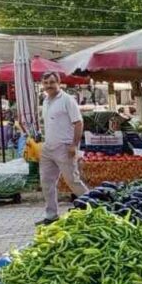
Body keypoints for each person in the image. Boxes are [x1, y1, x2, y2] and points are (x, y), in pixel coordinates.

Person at [38, 72, 86, 226]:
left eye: (52, 82)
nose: (49, 86)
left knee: (73, 181)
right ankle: (51, 216)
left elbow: (78, 123)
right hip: (48, 147)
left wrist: (74, 145)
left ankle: (95, 206)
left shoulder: (67, 100)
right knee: (46, 182)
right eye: (46, 83)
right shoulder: (45, 100)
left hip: (64, 147)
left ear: (59, 82)